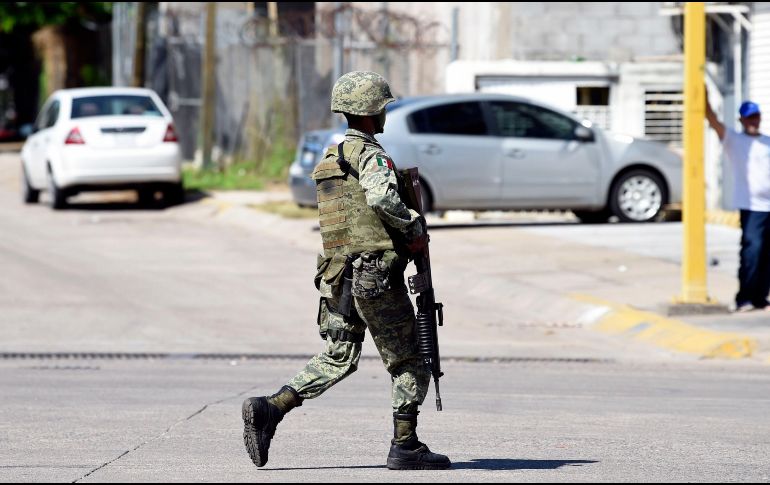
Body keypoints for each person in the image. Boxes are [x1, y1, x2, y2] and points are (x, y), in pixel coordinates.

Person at [241, 71, 451, 470]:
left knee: (339, 356)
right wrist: (414, 226)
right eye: (383, 106)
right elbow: (381, 199)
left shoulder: (330, 160)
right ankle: (405, 445)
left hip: (339, 275)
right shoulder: (371, 156)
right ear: (373, 111)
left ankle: (271, 408)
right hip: (374, 275)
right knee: (409, 361)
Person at [706, 93, 770, 312]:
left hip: (769, 206)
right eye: (749, 118)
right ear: (742, 121)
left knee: (766, 255)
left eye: (756, 117)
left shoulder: (767, 143)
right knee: (752, 251)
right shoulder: (735, 141)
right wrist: (703, 98)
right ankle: (744, 297)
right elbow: (713, 121)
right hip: (751, 206)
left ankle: (761, 298)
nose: (753, 122)